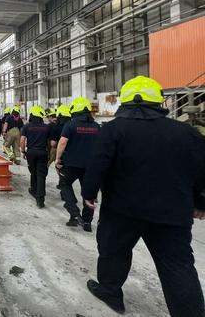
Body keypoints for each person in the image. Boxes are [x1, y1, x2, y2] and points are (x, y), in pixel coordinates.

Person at [82, 76, 205, 316]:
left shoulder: (113, 130)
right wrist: (201, 202)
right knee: (178, 266)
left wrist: (89, 193)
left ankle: (111, 293)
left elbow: (98, 164)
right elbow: (201, 170)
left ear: (124, 102)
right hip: (172, 213)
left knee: (113, 252)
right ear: (159, 102)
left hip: (122, 210)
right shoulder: (186, 133)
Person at [54, 97, 100, 232]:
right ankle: (87, 222)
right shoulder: (96, 126)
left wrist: (57, 159)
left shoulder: (71, 124)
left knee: (64, 184)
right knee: (89, 192)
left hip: (71, 164)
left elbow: (62, 142)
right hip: (90, 166)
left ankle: (74, 213)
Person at [21, 105, 51, 208]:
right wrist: (48, 152)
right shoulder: (47, 127)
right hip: (42, 152)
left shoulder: (27, 126)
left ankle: (34, 190)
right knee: (41, 175)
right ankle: (40, 200)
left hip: (31, 152)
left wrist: (23, 151)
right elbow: (49, 142)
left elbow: (22, 140)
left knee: (33, 172)